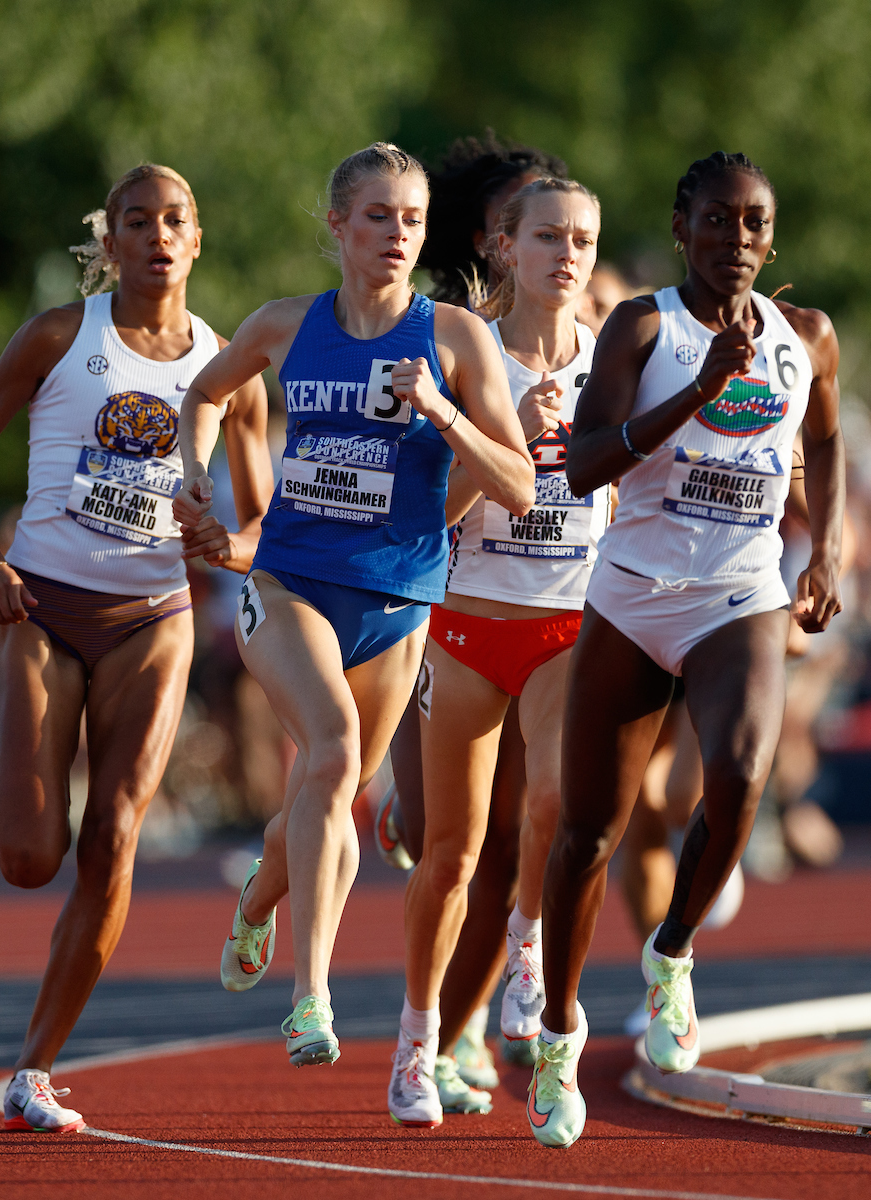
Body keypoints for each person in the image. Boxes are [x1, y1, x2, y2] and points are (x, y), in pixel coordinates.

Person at [173, 143, 534, 1074]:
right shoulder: (285, 326)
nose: (398, 235)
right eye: (378, 217)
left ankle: (258, 899)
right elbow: (205, 395)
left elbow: (522, 485)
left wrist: (445, 417)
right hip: (291, 580)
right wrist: (192, 483)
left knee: (323, 794)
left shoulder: (454, 337)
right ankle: (312, 1001)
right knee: (330, 755)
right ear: (338, 225)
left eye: (411, 219)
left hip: (399, 600)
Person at [0, 164, 272, 1133]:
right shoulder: (56, 336)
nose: (158, 236)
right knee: (29, 857)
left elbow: (264, 524)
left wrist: (232, 546)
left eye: (175, 220)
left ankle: (34, 1070)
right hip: (41, 609)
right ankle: (36, 1038)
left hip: (151, 619)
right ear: (111, 241)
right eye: (138, 221)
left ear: (196, 240)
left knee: (116, 836)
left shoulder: (228, 366)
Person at [529, 151, 844, 1149]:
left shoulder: (808, 339)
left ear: (771, 237)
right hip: (631, 597)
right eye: (717, 222)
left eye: (754, 224)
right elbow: (583, 467)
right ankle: (556, 1033)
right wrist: (699, 391)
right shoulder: (644, 325)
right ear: (682, 230)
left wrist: (825, 549)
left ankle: (669, 956)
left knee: (742, 777)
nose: (736, 242)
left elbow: (826, 442)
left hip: (740, 593)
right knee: (588, 834)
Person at [390, 176, 607, 1128]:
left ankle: (527, 943)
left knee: (560, 803)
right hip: (471, 621)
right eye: (549, 237)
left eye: (585, 240)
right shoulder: (459, 355)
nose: (568, 255)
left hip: (571, 617)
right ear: (505, 249)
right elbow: (425, 520)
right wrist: (498, 443)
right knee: (448, 852)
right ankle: (416, 1040)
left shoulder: (619, 359)